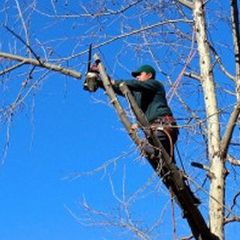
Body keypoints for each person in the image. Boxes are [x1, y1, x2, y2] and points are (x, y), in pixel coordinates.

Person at [86, 64, 179, 165]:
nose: (137, 77)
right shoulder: (138, 94)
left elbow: (134, 84)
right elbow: (119, 88)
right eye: (135, 76)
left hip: (164, 126)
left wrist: (114, 82)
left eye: (140, 74)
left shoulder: (155, 85)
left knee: (151, 149)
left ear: (149, 75)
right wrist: (100, 79)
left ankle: (164, 162)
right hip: (152, 129)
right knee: (163, 164)